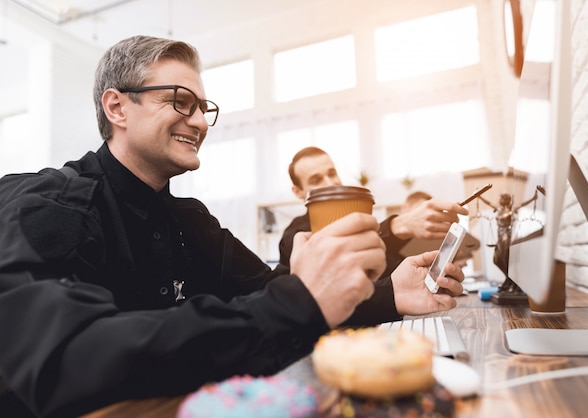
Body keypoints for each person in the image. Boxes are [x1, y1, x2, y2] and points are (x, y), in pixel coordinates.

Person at [0, 36, 465, 418]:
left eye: (204, 107)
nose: (201, 122)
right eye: (181, 102)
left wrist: (390, 296)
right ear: (117, 108)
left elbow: (280, 291)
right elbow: (69, 359)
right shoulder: (51, 204)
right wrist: (297, 301)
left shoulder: (191, 220)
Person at [278, 147, 469, 276]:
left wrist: (435, 265)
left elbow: (388, 270)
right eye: (316, 180)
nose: (331, 183)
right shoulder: (295, 236)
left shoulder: (358, 220)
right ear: (298, 192)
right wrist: (399, 225)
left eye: (331, 173)